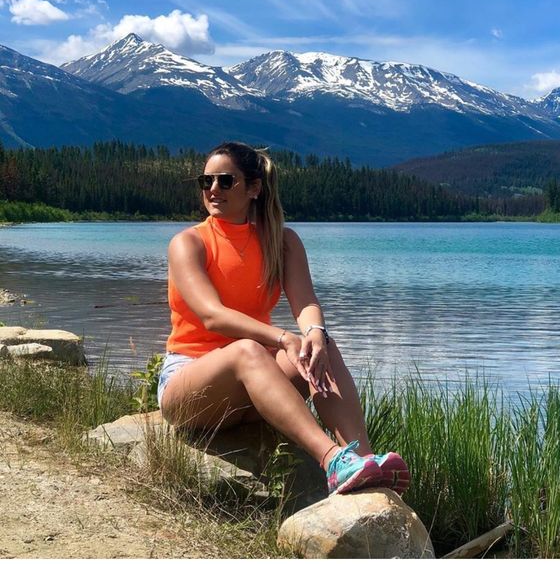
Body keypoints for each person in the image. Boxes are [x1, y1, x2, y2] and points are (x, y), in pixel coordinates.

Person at [157, 141, 409, 497]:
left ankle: (364, 461)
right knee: (249, 349)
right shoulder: (188, 243)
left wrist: (314, 334)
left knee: (320, 347)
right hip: (192, 386)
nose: (213, 189)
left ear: (254, 188)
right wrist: (282, 338)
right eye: (206, 181)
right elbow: (212, 316)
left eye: (225, 181)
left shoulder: (282, 241)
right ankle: (332, 461)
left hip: (255, 386)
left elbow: (305, 302)